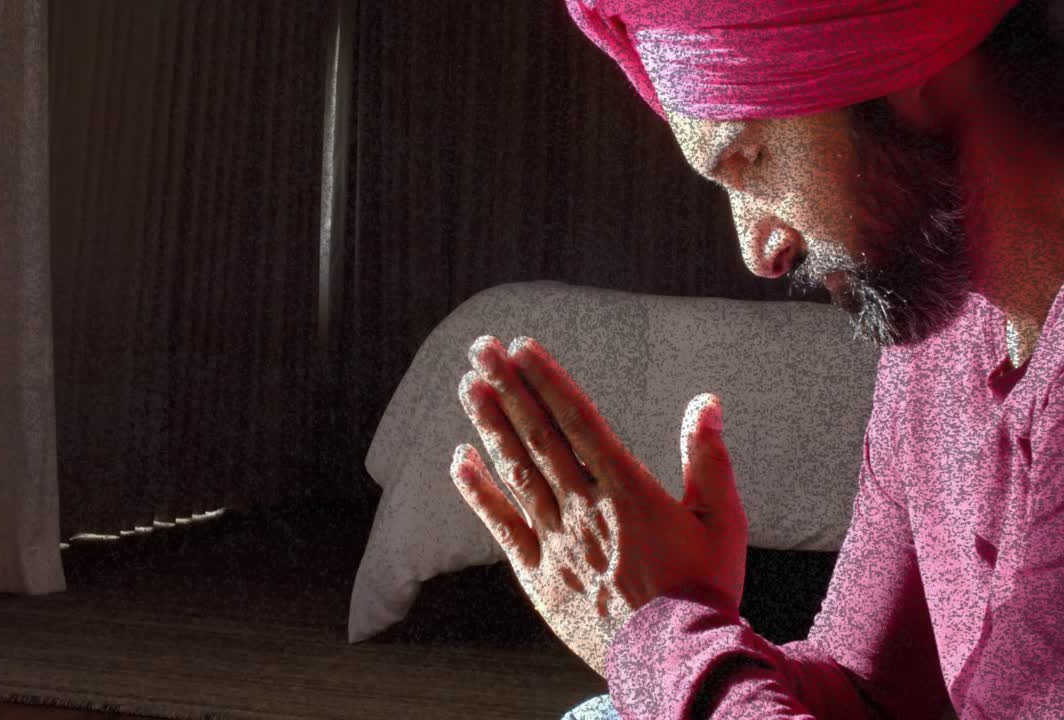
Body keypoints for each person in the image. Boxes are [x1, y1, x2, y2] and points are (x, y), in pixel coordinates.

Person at [448, 0, 1064, 718]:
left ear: (904, 69)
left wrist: (659, 637)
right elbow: (868, 692)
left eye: (750, 158)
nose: (760, 253)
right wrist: (685, 619)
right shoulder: (943, 331)